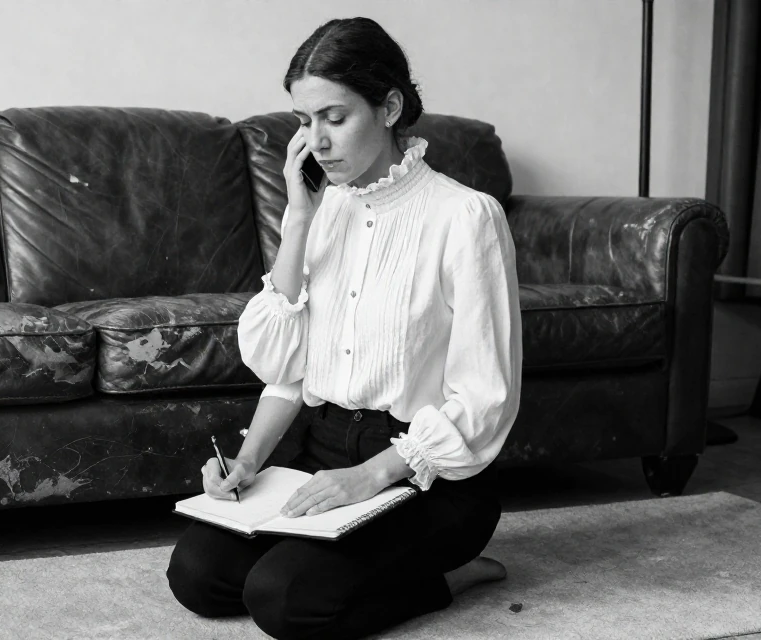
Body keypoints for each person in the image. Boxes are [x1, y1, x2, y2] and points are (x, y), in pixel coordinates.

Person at [166, 16, 523, 640]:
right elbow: (285, 369)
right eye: (304, 121)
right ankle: (332, 556)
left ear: (389, 108)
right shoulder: (325, 209)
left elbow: (486, 397)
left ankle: (449, 576)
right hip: (321, 449)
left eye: (334, 117)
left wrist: (368, 477)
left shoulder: (466, 217)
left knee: (283, 601)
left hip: (425, 476)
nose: (317, 141)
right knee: (198, 577)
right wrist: (247, 461)